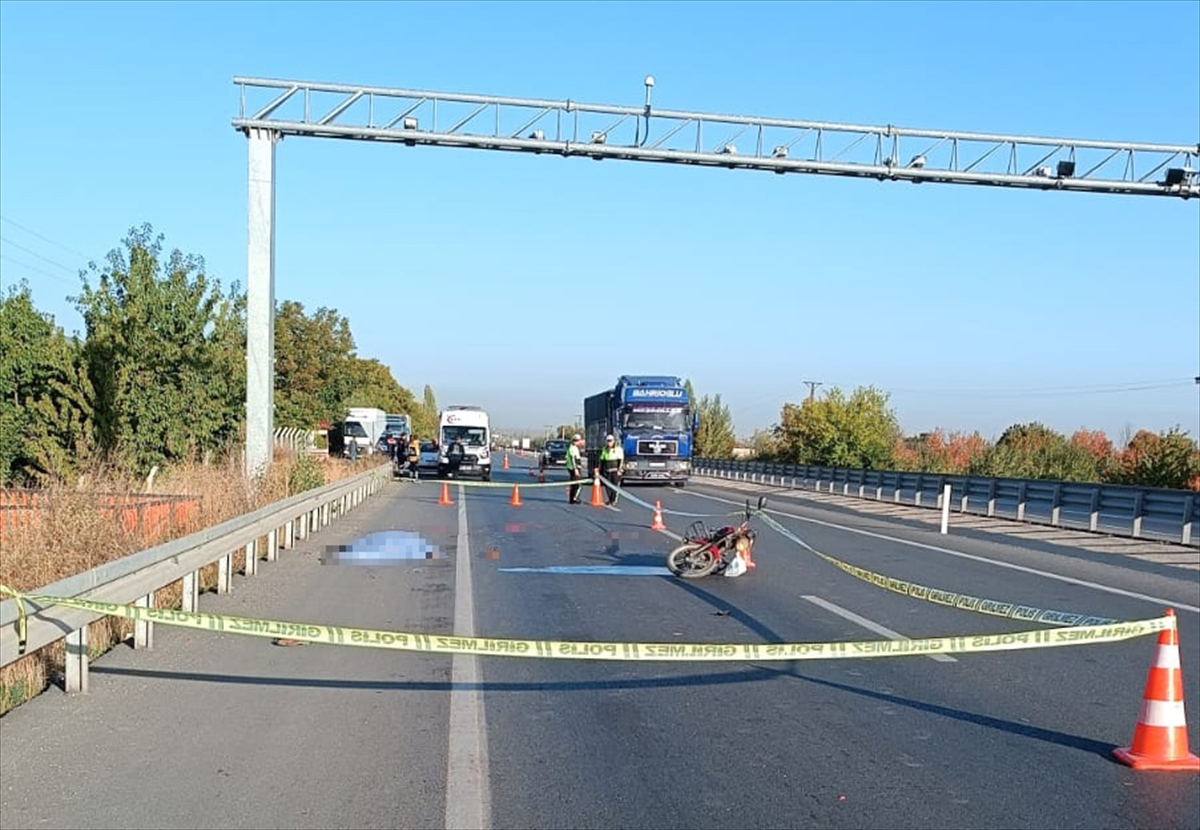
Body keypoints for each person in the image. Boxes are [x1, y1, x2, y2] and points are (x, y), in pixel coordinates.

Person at [598, 433, 625, 505]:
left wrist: (619, 470)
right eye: (608, 441)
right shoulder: (604, 450)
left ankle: (613, 499)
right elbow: (602, 461)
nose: (609, 442)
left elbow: (621, 460)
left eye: (610, 441)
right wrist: (599, 471)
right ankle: (610, 499)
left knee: (615, 486)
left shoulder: (618, 449)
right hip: (607, 470)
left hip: (615, 470)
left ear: (613, 441)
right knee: (607, 486)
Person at [566, 433, 586, 504]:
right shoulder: (573, 448)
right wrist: (576, 469)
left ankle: (572, 499)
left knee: (574, 484)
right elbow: (573, 459)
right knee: (577, 484)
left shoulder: (573, 447)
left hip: (572, 467)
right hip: (573, 468)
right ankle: (574, 498)